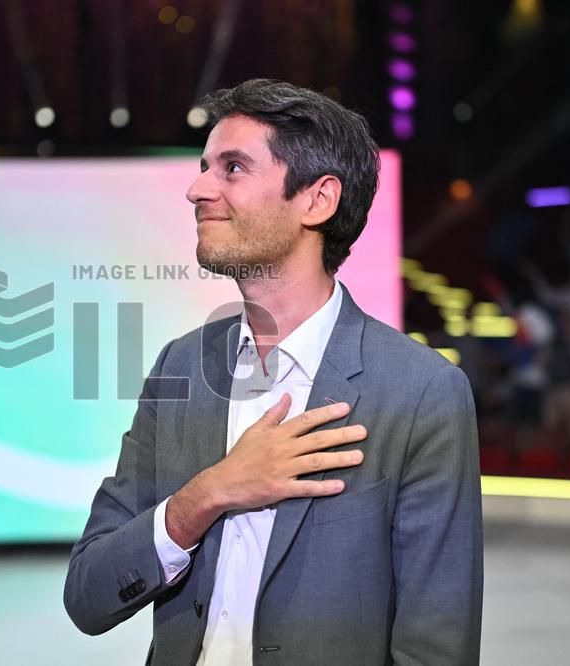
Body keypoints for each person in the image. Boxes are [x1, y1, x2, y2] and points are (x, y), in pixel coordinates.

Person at [64, 79, 483, 665]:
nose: (197, 189)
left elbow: (437, 646)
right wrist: (207, 494)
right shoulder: (180, 367)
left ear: (318, 200)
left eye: (233, 168)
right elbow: (88, 596)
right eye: (204, 167)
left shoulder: (421, 392)